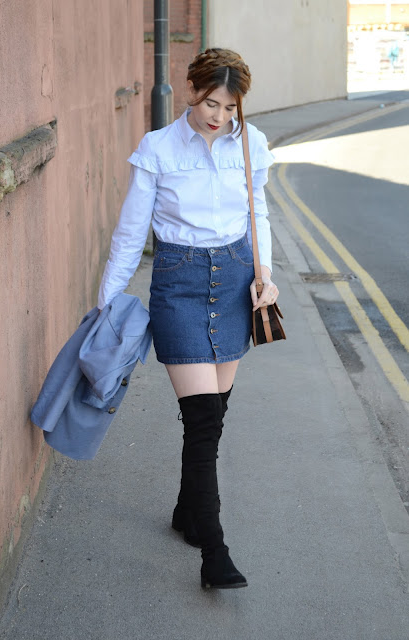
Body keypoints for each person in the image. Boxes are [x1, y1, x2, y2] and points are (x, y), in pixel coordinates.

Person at [97, 47, 279, 589]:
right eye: (209, 101)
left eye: (229, 106)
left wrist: (265, 274)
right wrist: (108, 304)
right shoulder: (157, 148)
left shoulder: (251, 144)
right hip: (177, 283)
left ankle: (185, 509)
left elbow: (259, 211)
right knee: (202, 422)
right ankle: (214, 552)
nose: (217, 115)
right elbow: (131, 233)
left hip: (235, 279)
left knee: (212, 417)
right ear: (190, 87)